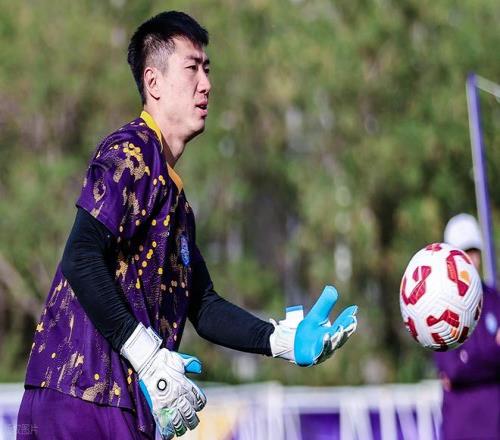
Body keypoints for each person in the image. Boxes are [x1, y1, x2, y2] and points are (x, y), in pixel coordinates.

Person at [16, 11, 358, 440]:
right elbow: (81, 256)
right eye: (192, 68)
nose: (206, 84)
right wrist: (146, 354)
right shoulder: (130, 151)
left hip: (120, 407)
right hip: (81, 400)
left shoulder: (175, 201)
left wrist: (279, 340)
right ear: (153, 82)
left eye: (207, 69)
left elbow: (205, 307)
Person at [434, 213, 500, 440]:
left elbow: (464, 364)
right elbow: (453, 369)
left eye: (473, 251)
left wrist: (471, 358)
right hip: (460, 430)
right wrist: (494, 350)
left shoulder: (495, 300)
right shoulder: (438, 306)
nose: (469, 260)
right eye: (461, 253)